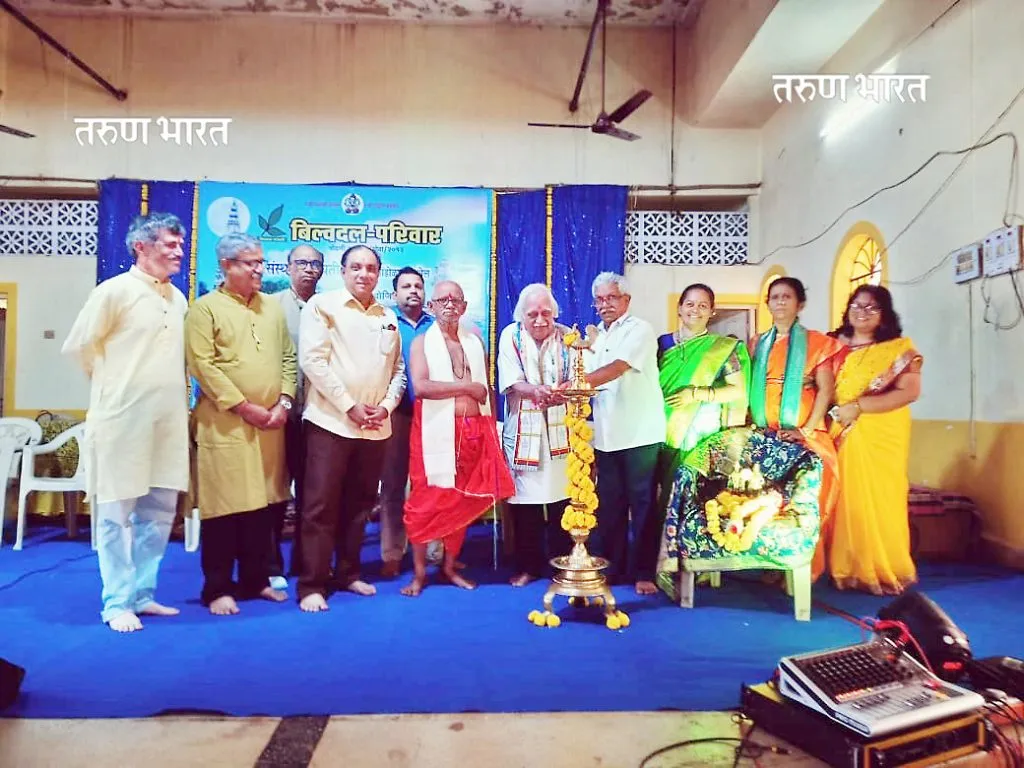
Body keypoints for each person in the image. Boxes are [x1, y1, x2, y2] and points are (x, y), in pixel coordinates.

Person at [61, 212, 190, 633]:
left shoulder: (178, 298)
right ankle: (116, 603)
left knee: (159, 511)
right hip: (120, 420)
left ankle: (142, 594)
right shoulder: (114, 291)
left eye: (180, 243)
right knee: (116, 513)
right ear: (141, 246)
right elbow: (80, 347)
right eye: (170, 243)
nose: (179, 250)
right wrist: (113, 390)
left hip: (167, 422)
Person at [185, 233, 295, 615]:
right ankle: (217, 589)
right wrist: (246, 408)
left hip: (271, 426)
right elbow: (202, 366)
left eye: (261, 262)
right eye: (250, 263)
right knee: (225, 510)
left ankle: (256, 580)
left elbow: (288, 358)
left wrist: (284, 401)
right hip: (226, 425)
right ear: (226, 266)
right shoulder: (204, 310)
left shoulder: (272, 308)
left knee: (263, 508)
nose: (259, 269)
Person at [296, 245, 405, 613]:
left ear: (378, 275)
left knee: (360, 505)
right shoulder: (322, 306)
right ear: (342, 271)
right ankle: (312, 584)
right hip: (330, 422)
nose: (364, 274)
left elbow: (398, 371)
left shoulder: (387, 315)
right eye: (356, 267)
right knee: (319, 506)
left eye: (371, 268)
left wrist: (385, 407)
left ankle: (348, 573)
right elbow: (313, 362)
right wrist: (349, 406)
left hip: (374, 427)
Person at [401, 280, 515, 597]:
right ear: (432, 306)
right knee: (425, 501)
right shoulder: (422, 342)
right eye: (443, 300)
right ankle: (419, 573)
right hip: (434, 434)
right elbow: (421, 387)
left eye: (456, 299)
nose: (450, 304)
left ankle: (449, 566)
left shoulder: (474, 341)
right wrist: (465, 388)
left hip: (475, 430)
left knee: (462, 499)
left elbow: (486, 391)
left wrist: (491, 430)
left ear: (464, 307)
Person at [655, 283, 750, 590]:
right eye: (690, 304)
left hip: (698, 436)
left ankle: (693, 564)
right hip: (658, 432)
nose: (695, 310)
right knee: (659, 500)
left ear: (711, 312)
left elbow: (737, 390)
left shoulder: (724, 348)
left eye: (702, 305)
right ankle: (660, 563)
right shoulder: (661, 344)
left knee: (691, 500)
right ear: (679, 308)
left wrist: (696, 393)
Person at [748, 276, 844, 581]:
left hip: (804, 437)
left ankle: (804, 569)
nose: (779, 302)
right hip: (767, 436)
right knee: (768, 501)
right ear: (768, 304)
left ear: (800, 304)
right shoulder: (757, 343)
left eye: (786, 297)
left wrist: (806, 431)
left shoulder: (818, 343)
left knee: (804, 504)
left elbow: (825, 391)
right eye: (774, 297)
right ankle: (772, 565)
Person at [828, 285, 922, 594]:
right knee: (844, 497)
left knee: (880, 498)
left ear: (884, 314)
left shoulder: (897, 349)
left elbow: (909, 392)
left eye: (872, 307)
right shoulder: (832, 345)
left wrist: (859, 407)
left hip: (880, 432)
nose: (862, 312)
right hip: (840, 428)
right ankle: (844, 565)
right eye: (857, 305)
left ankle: (878, 567)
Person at [581, 272, 667, 595]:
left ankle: (644, 572)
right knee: (610, 506)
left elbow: (618, 367)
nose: (605, 305)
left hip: (640, 434)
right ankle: (611, 569)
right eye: (600, 299)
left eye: (612, 298)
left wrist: (576, 384)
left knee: (642, 505)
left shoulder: (640, 329)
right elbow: (588, 369)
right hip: (607, 435)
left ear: (626, 300)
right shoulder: (598, 335)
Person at [497, 283, 572, 586]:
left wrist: (563, 390)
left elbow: (578, 377)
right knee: (525, 503)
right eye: (532, 315)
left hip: (560, 432)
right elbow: (512, 381)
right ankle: (529, 566)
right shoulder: (510, 336)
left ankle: (562, 562)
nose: (540, 320)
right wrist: (536, 391)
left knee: (561, 500)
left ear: (554, 313)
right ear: (522, 316)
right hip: (523, 431)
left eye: (545, 313)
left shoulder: (569, 337)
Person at [375, 266, 439, 578]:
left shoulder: (436, 326)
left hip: (432, 414)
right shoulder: (385, 324)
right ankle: (392, 552)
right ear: (395, 293)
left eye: (418, 286)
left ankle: (434, 550)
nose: (413, 291)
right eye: (406, 286)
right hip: (396, 414)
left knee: (432, 484)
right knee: (393, 485)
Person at [270, 244, 324, 585]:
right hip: (280, 413)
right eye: (301, 263)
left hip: (319, 417)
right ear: (288, 267)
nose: (308, 269)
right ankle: (271, 565)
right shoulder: (270, 306)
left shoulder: (328, 307)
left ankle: (307, 562)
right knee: (276, 490)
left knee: (313, 493)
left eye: (315, 264)